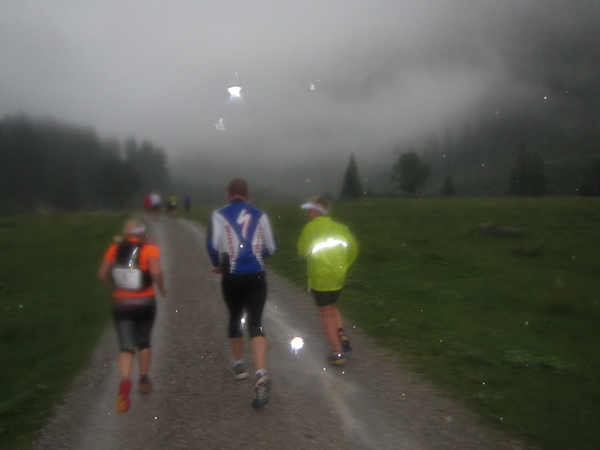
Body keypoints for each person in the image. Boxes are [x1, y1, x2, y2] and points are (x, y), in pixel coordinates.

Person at [206, 178, 277, 408]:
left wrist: (218, 263)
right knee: (255, 322)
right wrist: (257, 256)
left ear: (228, 194)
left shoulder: (218, 215)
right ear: (247, 194)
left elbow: (212, 245)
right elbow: (272, 246)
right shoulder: (260, 215)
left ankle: (238, 365)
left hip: (232, 275)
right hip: (256, 274)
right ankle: (261, 372)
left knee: (235, 316)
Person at [98, 218, 166, 414]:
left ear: (126, 233)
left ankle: (125, 380)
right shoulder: (149, 249)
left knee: (126, 346)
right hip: (145, 302)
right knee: (144, 341)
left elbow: (102, 273)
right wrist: (161, 287)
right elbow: (155, 271)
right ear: (142, 232)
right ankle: (143, 379)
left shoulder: (114, 248)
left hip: (121, 304)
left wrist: (113, 284)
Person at [297, 196, 359, 365]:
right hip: (338, 276)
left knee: (325, 314)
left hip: (320, 277)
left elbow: (302, 252)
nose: (307, 214)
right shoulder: (340, 228)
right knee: (332, 306)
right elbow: (353, 249)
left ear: (315, 211)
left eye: (309, 210)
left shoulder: (310, 228)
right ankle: (341, 334)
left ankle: (337, 353)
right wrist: (343, 266)